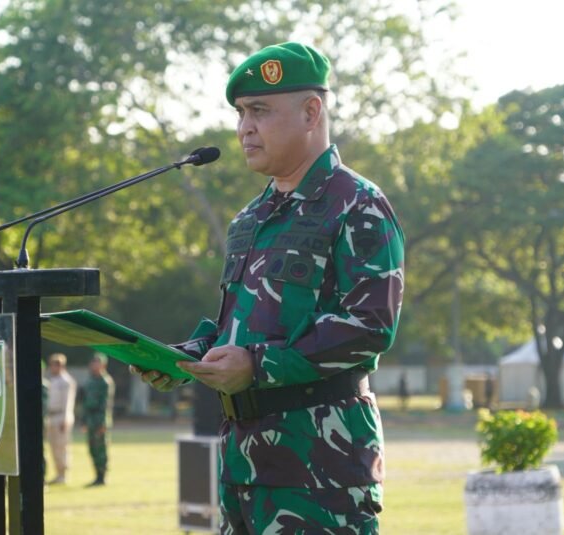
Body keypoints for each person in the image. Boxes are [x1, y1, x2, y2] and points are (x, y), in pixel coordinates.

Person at [132, 42, 404, 533]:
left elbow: (370, 326)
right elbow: (236, 328)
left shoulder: (357, 203)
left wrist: (256, 367)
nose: (244, 128)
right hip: (243, 462)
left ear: (311, 112)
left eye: (259, 110)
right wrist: (186, 357)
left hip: (320, 467)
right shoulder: (250, 218)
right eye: (240, 113)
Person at [81, 353, 115, 487]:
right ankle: (96, 475)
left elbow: (106, 405)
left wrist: (103, 423)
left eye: (97, 362)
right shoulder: (89, 381)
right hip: (90, 420)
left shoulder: (105, 382)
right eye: (93, 362)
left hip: (99, 420)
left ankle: (102, 476)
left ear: (103, 365)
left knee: (101, 448)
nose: (94, 365)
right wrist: (83, 421)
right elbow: (84, 403)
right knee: (92, 449)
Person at [45, 353, 77, 485]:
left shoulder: (66, 381)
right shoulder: (51, 379)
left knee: (61, 447)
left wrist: (65, 419)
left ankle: (63, 474)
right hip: (51, 416)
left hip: (61, 417)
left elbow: (68, 402)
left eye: (55, 365)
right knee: (53, 447)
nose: (53, 367)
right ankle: (58, 473)